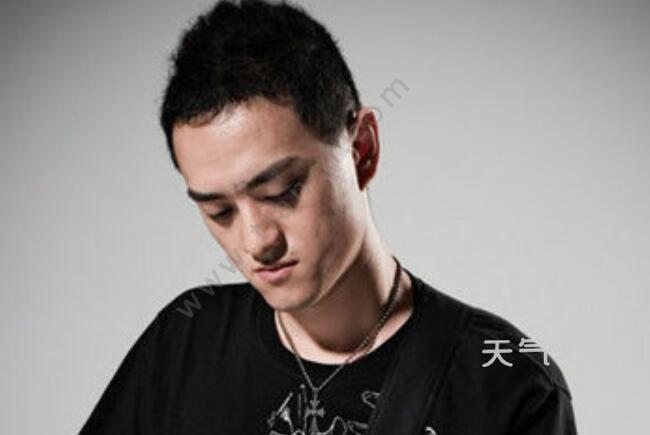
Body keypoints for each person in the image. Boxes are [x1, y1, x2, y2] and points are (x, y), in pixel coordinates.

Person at [79, 1, 578, 434]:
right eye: (219, 211)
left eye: (281, 191)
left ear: (362, 150)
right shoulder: (185, 342)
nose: (256, 241)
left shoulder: (509, 382)